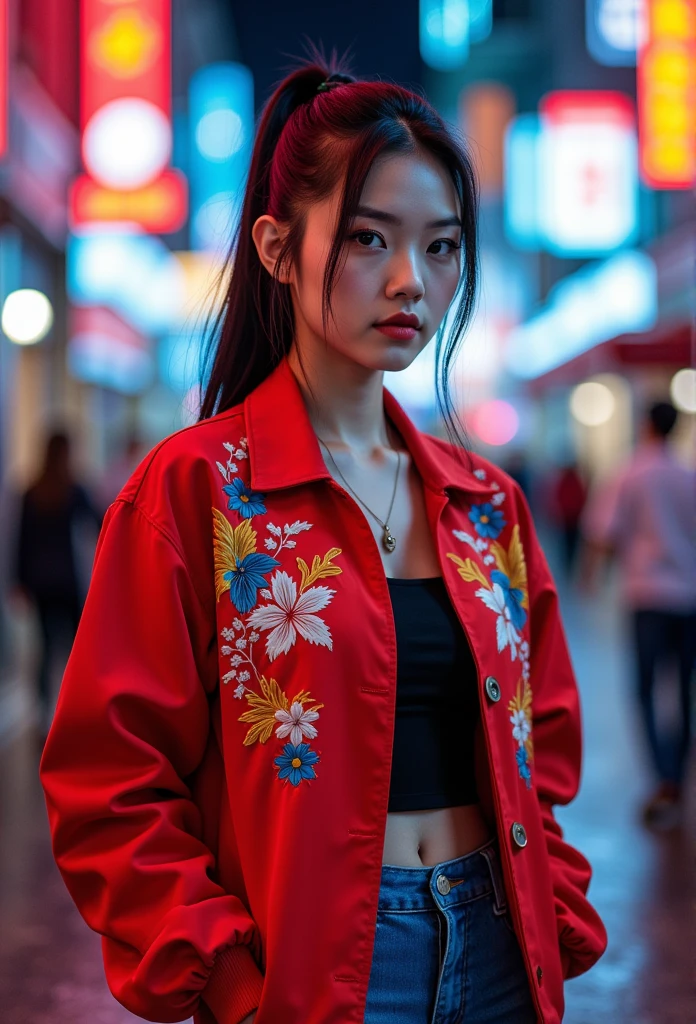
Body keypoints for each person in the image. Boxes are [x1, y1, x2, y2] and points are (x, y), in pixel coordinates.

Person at [39, 54, 606, 1024]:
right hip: (310, 970)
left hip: (500, 949)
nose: (409, 282)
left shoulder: (488, 508)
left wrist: (548, 896)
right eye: (367, 238)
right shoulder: (197, 491)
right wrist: (224, 971)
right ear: (274, 244)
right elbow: (110, 776)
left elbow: (542, 747)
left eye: (441, 246)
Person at [581, 400, 696, 831]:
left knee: (645, 690)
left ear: (646, 423)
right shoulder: (688, 475)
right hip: (688, 597)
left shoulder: (629, 472)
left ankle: (664, 776)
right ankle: (678, 776)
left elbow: (602, 533)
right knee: (683, 689)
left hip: (646, 594)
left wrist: (589, 578)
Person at [11, 430, 103, 743]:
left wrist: (19, 581)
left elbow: (21, 542)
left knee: (47, 648)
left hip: (40, 583)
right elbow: (100, 523)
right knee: (77, 651)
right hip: (66, 581)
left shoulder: (33, 490)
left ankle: (42, 714)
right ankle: (77, 711)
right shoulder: (73, 489)